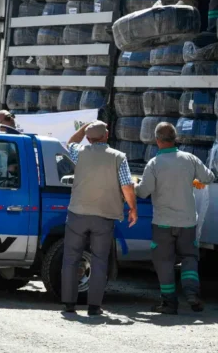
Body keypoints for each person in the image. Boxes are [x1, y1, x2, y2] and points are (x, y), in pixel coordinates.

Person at [135, 122, 215, 315]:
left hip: (163, 222)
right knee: (189, 257)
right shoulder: (190, 159)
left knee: (164, 261)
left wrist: (134, 185)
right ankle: (191, 293)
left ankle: (169, 303)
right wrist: (194, 180)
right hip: (187, 222)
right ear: (175, 139)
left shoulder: (154, 164)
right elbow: (209, 177)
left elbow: (144, 192)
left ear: (157, 141)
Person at [61, 120, 138, 316]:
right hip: (104, 216)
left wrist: (84, 127)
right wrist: (132, 208)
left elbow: (70, 142)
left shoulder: (80, 153)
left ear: (88, 138)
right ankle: (94, 306)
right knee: (100, 260)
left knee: (71, 259)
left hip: (77, 214)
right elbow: (127, 185)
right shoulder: (118, 157)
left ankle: (69, 304)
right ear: (106, 136)